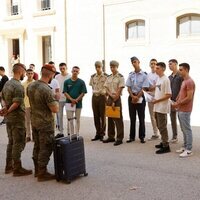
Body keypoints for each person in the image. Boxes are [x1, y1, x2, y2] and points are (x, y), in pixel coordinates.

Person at [27, 64, 59, 182]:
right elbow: (55, 109)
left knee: (37, 146)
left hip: (34, 121)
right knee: (46, 146)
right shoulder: (46, 89)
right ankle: (42, 172)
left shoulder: (31, 86)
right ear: (51, 74)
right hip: (45, 123)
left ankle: (37, 169)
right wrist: (56, 98)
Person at [0, 63, 32, 176]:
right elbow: (17, 102)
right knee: (18, 142)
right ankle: (17, 168)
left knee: (11, 142)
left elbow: (2, 98)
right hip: (17, 118)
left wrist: (4, 107)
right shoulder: (18, 86)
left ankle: (9, 166)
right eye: (24, 71)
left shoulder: (7, 83)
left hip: (9, 119)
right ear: (20, 71)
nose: (25, 74)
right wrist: (8, 110)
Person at [173, 63, 195, 158]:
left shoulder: (190, 82)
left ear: (186, 70)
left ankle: (189, 149)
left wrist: (178, 103)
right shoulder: (184, 81)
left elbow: (189, 97)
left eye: (181, 70)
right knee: (183, 129)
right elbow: (180, 94)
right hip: (180, 108)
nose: (179, 71)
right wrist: (176, 101)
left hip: (185, 110)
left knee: (187, 129)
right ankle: (185, 146)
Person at [126, 56, 149, 144]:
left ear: (139, 62)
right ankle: (131, 137)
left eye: (135, 61)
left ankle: (142, 136)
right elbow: (128, 87)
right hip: (132, 97)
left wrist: (137, 97)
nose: (134, 63)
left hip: (140, 97)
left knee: (141, 118)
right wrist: (132, 96)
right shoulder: (131, 74)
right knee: (132, 118)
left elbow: (144, 88)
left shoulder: (144, 75)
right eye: (132, 62)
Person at [103, 60, 125, 146]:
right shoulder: (109, 77)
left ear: (117, 67)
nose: (112, 68)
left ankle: (119, 138)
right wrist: (110, 96)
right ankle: (111, 136)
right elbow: (106, 88)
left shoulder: (120, 77)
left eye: (114, 67)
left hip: (117, 98)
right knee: (110, 118)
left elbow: (120, 89)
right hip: (109, 98)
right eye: (111, 67)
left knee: (118, 119)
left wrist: (114, 99)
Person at [152, 62, 172, 154]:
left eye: (158, 68)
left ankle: (166, 146)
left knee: (162, 126)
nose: (156, 69)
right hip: (157, 106)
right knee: (159, 125)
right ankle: (163, 141)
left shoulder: (166, 80)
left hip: (162, 107)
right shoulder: (159, 79)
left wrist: (157, 101)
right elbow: (159, 91)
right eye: (156, 68)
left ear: (163, 69)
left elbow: (168, 95)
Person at [63, 66, 87, 135]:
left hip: (78, 104)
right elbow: (65, 92)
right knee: (70, 120)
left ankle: (77, 134)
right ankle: (71, 134)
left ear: (79, 72)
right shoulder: (66, 82)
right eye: (74, 71)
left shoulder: (81, 82)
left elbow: (83, 93)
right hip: (69, 103)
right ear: (71, 71)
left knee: (77, 120)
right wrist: (71, 100)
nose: (75, 72)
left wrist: (76, 100)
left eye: (77, 71)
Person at [89, 61, 107, 141]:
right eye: (96, 67)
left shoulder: (106, 76)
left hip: (102, 97)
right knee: (96, 116)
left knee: (102, 116)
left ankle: (102, 133)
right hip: (94, 97)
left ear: (102, 67)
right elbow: (92, 86)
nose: (97, 68)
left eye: (99, 67)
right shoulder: (93, 76)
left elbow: (108, 87)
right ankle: (97, 133)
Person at [168, 59, 183, 143]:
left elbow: (182, 88)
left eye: (171, 64)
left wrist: (178, 99)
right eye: (168, 64)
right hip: (171, 101)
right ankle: (174, 137)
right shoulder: (169, 77)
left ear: (176, 64)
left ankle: (186, 138)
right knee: (172, 119)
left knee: (181, 120)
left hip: (180, 102)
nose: (169, 66)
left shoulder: (181, 75)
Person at [55, 62, 71, 134]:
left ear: (66, 68)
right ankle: (61, 131)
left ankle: (69, 131)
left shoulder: (70, 77)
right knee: (59, 116)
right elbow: (56, 88)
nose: (62, 70)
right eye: (61, 68)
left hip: (68, 99)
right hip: (59, 100)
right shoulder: (57, 77)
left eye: (63, 68)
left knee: (69, 116)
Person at [147, 59, 159, 140]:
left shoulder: (158, 75)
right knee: (152, 116)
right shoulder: (148, 75)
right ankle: (155, 133)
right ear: (149, 65)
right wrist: (148, 88)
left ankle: (161, 132)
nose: (153, 65)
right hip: (149, 97)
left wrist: (153, 87)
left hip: (157, 97)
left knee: (158, 116)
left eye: (154, 63)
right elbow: (146, 85)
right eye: (151, 63)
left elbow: (159, 85)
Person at [22, 68, 34, 142]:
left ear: (33, 74)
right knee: (27, 121)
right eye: (28, 73)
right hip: (26, 105)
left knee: (34, 122)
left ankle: (34, 136)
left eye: (31, 73)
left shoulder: (36, 83)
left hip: (35, 105)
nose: (30, 75)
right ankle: (28, 136)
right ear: (26, 74)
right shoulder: (23, 84)